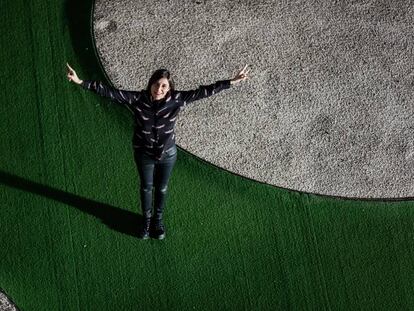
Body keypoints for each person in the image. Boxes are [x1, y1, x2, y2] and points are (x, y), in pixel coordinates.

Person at [66, 63, 249, 239]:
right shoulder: (138, 99)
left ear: (169, 88)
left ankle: (158, 221)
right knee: (146, 187)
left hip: (168, 154)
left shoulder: (176, 100)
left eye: (163, 86)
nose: (159, 89)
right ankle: (146, 221)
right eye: (156, 84)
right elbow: (111, 93)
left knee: (161, 188)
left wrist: (231, 81)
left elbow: (204, 91)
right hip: (144, 154)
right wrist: (81, 81)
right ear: (150, 84)